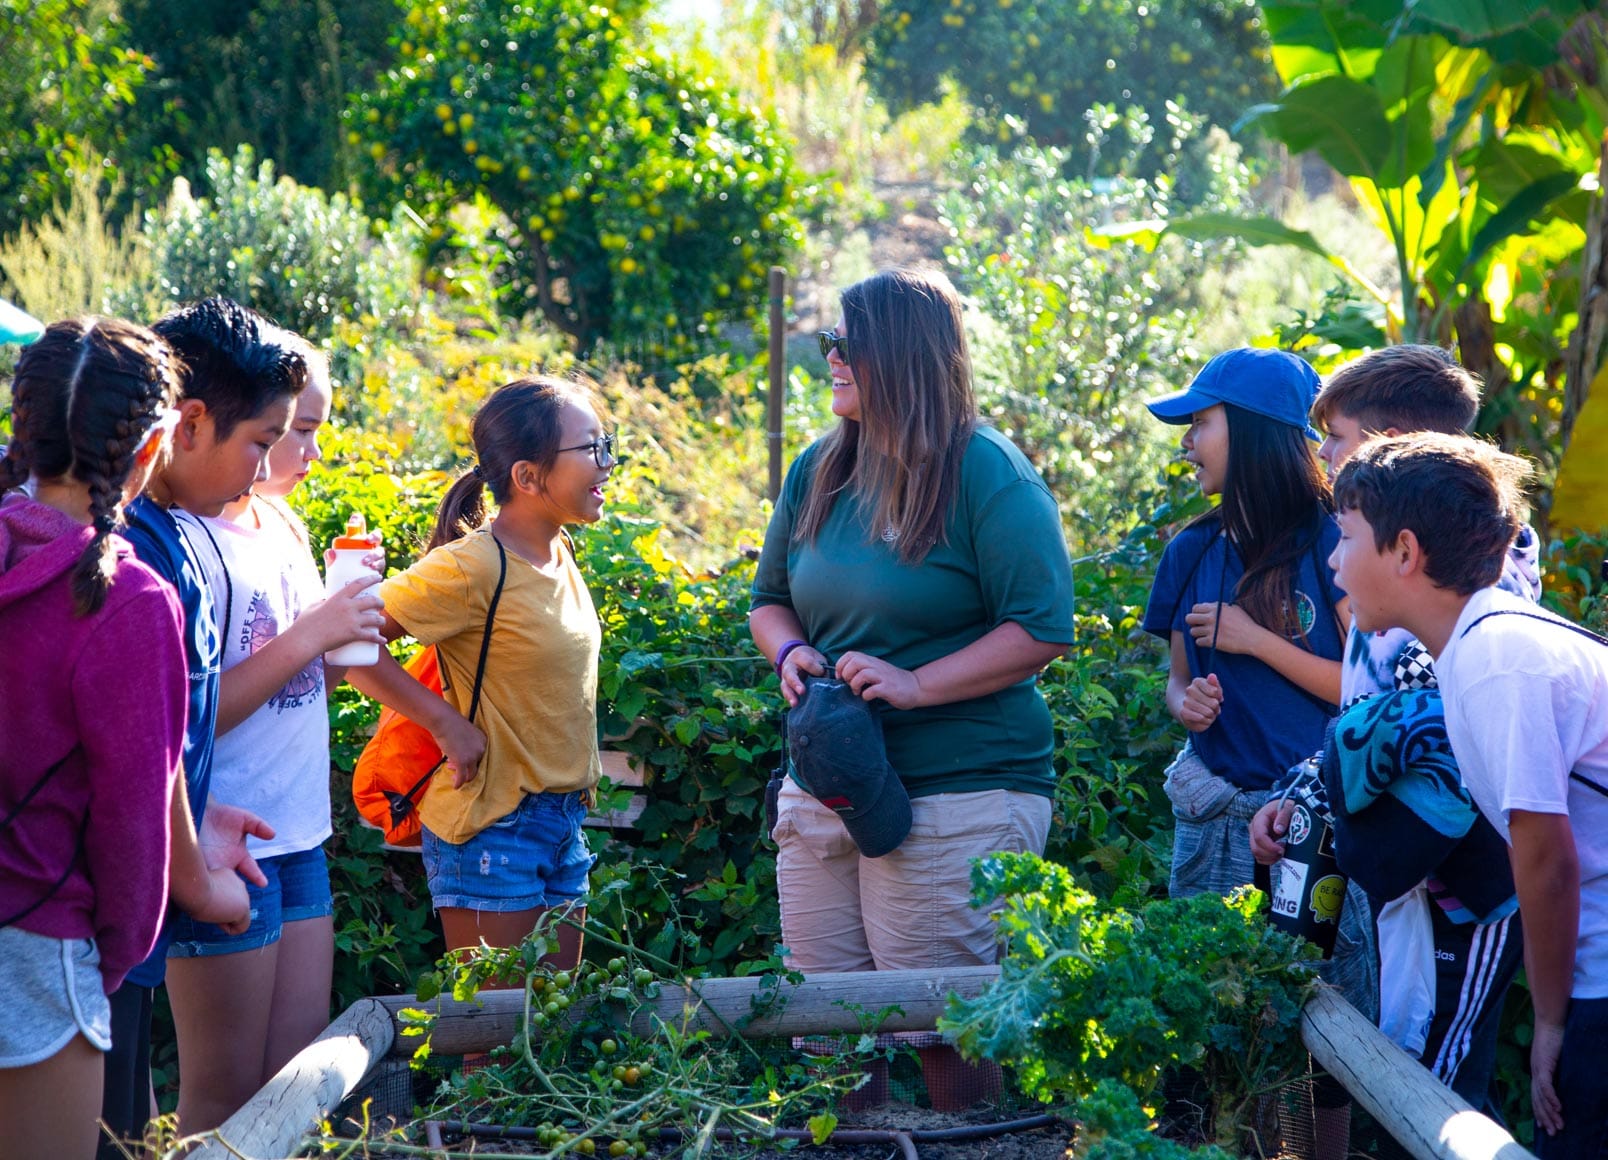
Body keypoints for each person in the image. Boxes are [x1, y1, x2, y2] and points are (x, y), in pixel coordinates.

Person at [749, 267, 1074, 1109]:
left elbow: (1041, 628)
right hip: (830, 784)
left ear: (900, 354)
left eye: (845, 344)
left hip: (960, 790)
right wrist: (790, 655)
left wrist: (917, 683)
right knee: (825, 1028)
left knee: (943, 1035)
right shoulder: (822, 467)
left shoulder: (987, 473)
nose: (830, 359)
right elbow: (769, 602)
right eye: (828, 344)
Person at [1249, 346, 1532, 1114]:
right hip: (1410, 878)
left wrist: (1328, 794)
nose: (1324, 456)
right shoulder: (1386, 567)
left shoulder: (1459, 592)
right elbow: (1365, 725)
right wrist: (1303, 792)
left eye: (1336, 438)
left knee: (1438, 1084)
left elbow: (1422, 739)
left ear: (1395, 442)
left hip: (1467, 891)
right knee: (1396, 1055)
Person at [1328, 433, 1606, 1156]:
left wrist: (1548, 1026)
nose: (1333, 562)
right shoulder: (1476, 646)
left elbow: (1548, 865)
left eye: (1346, 536)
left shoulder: (1495, 660)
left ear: (1405, 552)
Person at [162, 331, 386, 1131]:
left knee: (294, 1092)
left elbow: (301, 681)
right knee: (220, 1099)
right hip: (223, 835)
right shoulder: (179, 537)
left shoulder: (284, 527)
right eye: (292, 430)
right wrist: (313, 634)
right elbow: (187, 711)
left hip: (298, 836)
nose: (304, 449)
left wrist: (350, 630)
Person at [102, 297, 307, 1154]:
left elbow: (163, 743)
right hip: (87, 907)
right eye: (259, 441)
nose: (265, 469)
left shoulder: (177, 536)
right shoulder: (129, 551)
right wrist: (196, 868)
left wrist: (196, 825)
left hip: (149, 884)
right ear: (188, 424)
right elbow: (127, 754)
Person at [0, 319, 188, 1160]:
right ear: (151, 447)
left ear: (20, 427)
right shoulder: (128, 601)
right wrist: (109, 964)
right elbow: (132, 827)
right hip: (40, 947)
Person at [347, 377, 610, 973]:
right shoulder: (471, 566)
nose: (607, 463)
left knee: (550, 1030)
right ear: (527, 476)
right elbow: (348, 644)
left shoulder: (557, 549)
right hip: (495, 830)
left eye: (606, 444)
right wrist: (444, 723)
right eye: (590, 448)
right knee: (495, 1042)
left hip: (561, 823)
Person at [1141, 347, 1348, 900]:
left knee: (1312, 982)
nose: (1187, 442)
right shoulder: (1188, 551)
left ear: (1253, 432)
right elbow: (1177, 679)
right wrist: (1185, 702)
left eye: (1201, 422)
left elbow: (1363, 690)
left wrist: (1255, 641)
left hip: (1310, 824)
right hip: (1212, 822)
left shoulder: (1336, 543)